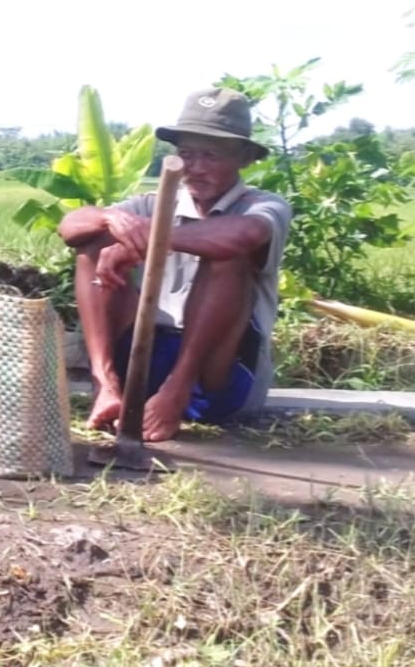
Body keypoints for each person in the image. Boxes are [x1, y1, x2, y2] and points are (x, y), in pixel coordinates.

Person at [58, 87, 292, 442]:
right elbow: (70, 226)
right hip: (146, 357)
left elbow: (241, 236)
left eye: (211, 156)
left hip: (217, 373)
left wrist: (147, 240)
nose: (195, 168)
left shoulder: (262, 205)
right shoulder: (155, 203)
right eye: (186, 154)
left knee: (228, 255)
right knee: (94, 241)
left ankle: (177, 390)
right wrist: (111, 220)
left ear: (244, 157)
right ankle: (105, 386)